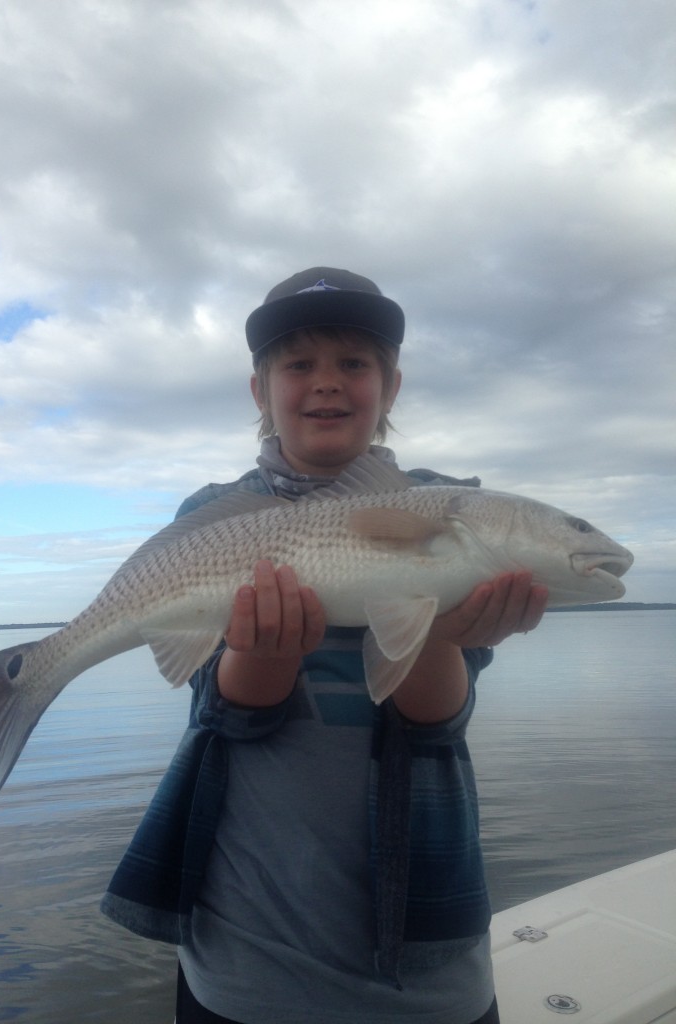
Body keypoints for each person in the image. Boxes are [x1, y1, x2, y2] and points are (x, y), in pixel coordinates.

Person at [102, 267, 548, 1024]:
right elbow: (227, 712)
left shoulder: (454, 506)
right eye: (298, 364)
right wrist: (268, 647)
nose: (326, 384)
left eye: (354, 363)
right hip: (245, 951)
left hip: (427, 953)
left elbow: (436, 720)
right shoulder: (215, 516)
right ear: (259, 391)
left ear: (391, 386)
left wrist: (440, 625)